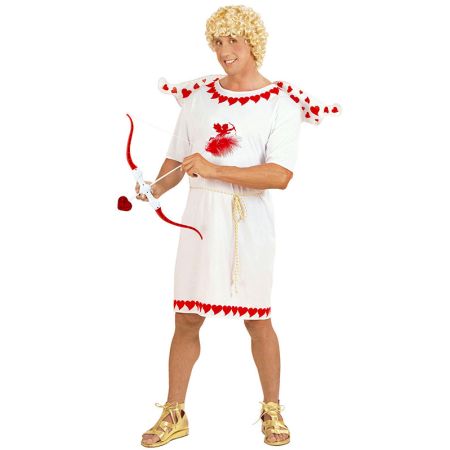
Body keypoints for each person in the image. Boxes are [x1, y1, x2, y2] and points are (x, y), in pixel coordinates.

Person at [135, 5, 340, 447]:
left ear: (253, 43)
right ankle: (174, 412)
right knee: (186, 318)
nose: (224, 51)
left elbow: (279, 175)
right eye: (217, 42)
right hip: (200, 221)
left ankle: (272, 409)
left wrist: (213, 168)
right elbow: (177, 158)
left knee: (258, 320)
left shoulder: (280, 103)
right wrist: (154, 189)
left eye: (233, 41)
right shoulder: (198, 96)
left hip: (248, 224)